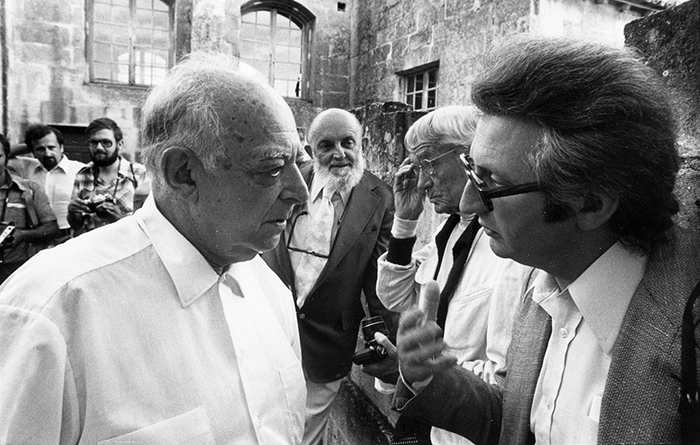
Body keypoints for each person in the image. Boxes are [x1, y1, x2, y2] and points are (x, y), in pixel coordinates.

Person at [393, 34, 700, 445]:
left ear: (589, 204)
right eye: (471, 171)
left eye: (491, 182)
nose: (469, 203)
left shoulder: (685, 330)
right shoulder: (544, 276)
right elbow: (523, 420)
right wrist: (435, 380)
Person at [0, 53, 310, 444]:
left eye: (300, 163)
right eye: (271, 168)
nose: (301, 192)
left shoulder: (271, 292)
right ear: (182, 173)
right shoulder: (52, 313)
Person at [370, 106, 527, 445]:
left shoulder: (509, 249)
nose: (423, 182)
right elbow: (396, 297)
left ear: (469, 157)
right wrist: (405, 220)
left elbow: (508, 383)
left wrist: (416, 372)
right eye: (417, 167)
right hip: (427, 425)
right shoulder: (451, 228)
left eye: (429, 164)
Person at [262, 108, 396, 445]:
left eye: (348, 142)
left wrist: (383, 337)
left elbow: (377, 279)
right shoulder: (289, 180)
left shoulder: (379, 197)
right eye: (326, 145)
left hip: (328, 340)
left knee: (306, 433)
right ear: (310, 150)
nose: (339, 154)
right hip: (270, 331)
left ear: (360, 144)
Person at [67, 117, 148, 236]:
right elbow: (76, 225)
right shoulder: (82, 175)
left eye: (106, 142)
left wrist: (119, 219)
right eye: (94, 143)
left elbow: (149, 221)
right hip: (94, 246)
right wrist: (72, 212)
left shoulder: (138, 173)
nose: (99, 148)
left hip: (126, 245)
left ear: (119, 145)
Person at [0, 133, 58, 282]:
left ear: (7, 158)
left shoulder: (29, 189)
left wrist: (22, 235)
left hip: (17, 269)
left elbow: (51, 228)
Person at [19, 124, 85, 242]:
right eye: (40, 149)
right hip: (38, 238)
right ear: (32, 151)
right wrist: (29, 145)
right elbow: (4, 153)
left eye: (51, 147)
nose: (47, 153)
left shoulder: (80, 170)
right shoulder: (26, 167)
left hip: (70, 237)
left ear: (61, 147)